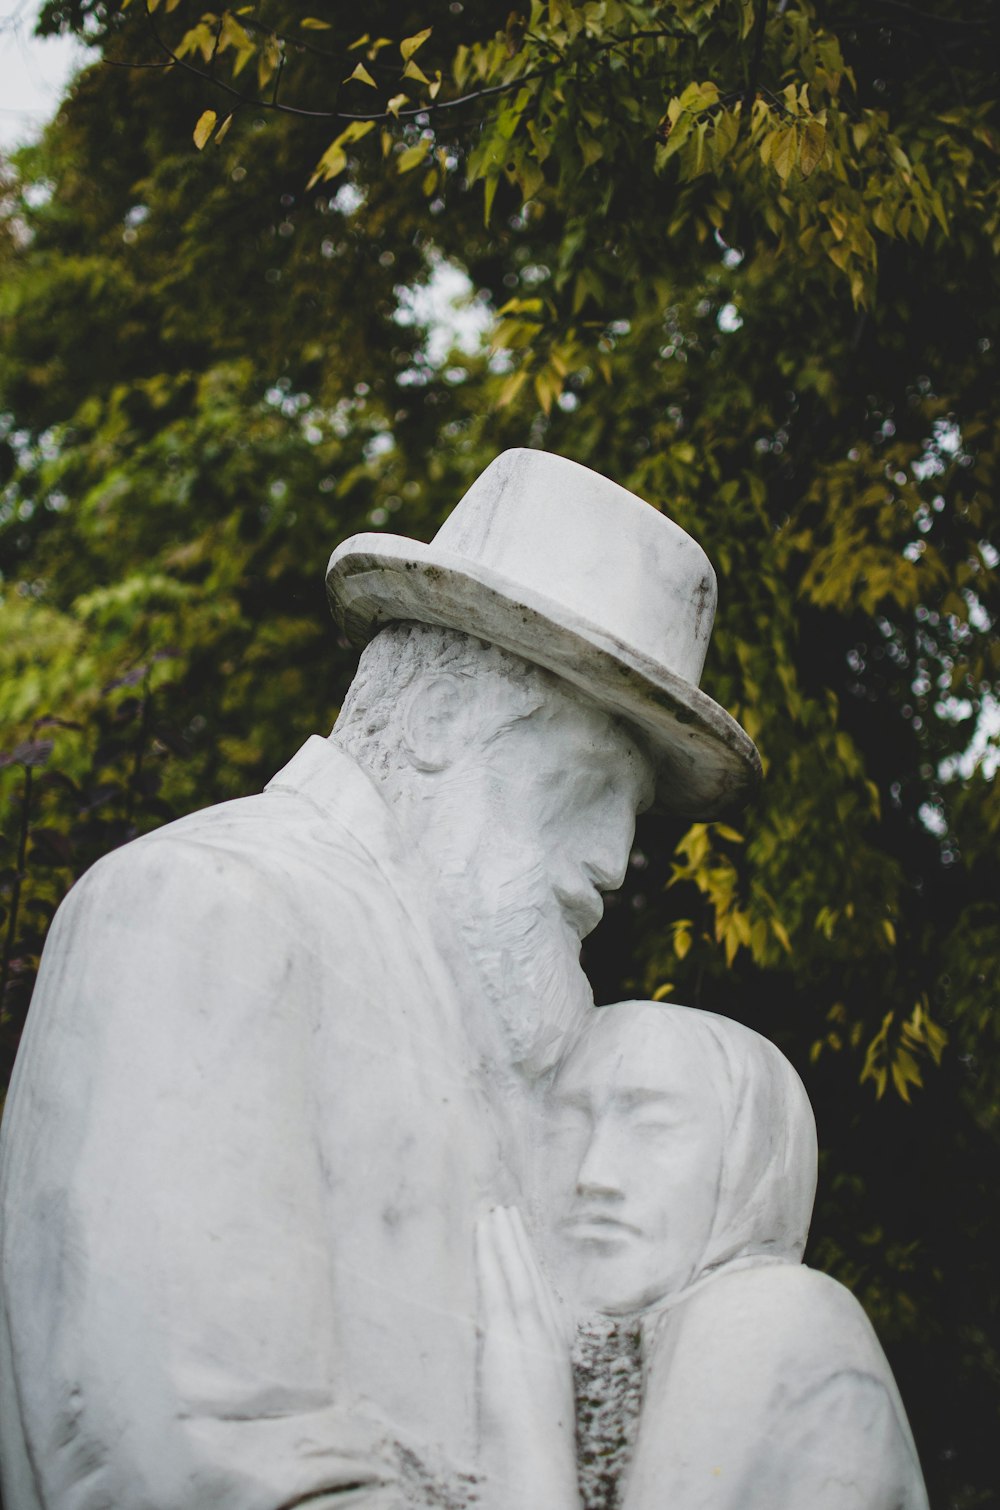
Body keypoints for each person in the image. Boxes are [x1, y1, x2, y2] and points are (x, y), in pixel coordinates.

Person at [0, 450, 760, 1509]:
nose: (615, 863)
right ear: (447, 719)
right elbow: (184, 1462)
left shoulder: (480, 1034)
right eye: (593, 783)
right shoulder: (207, 910)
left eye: (631, 813)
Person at [477, 1002, 929, 1510]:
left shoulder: (776, 1312)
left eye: (651, 1127)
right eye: (568, 1125)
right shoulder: (521, 1325)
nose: (593, 1174)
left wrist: (528, 1446)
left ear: (747, 1157)